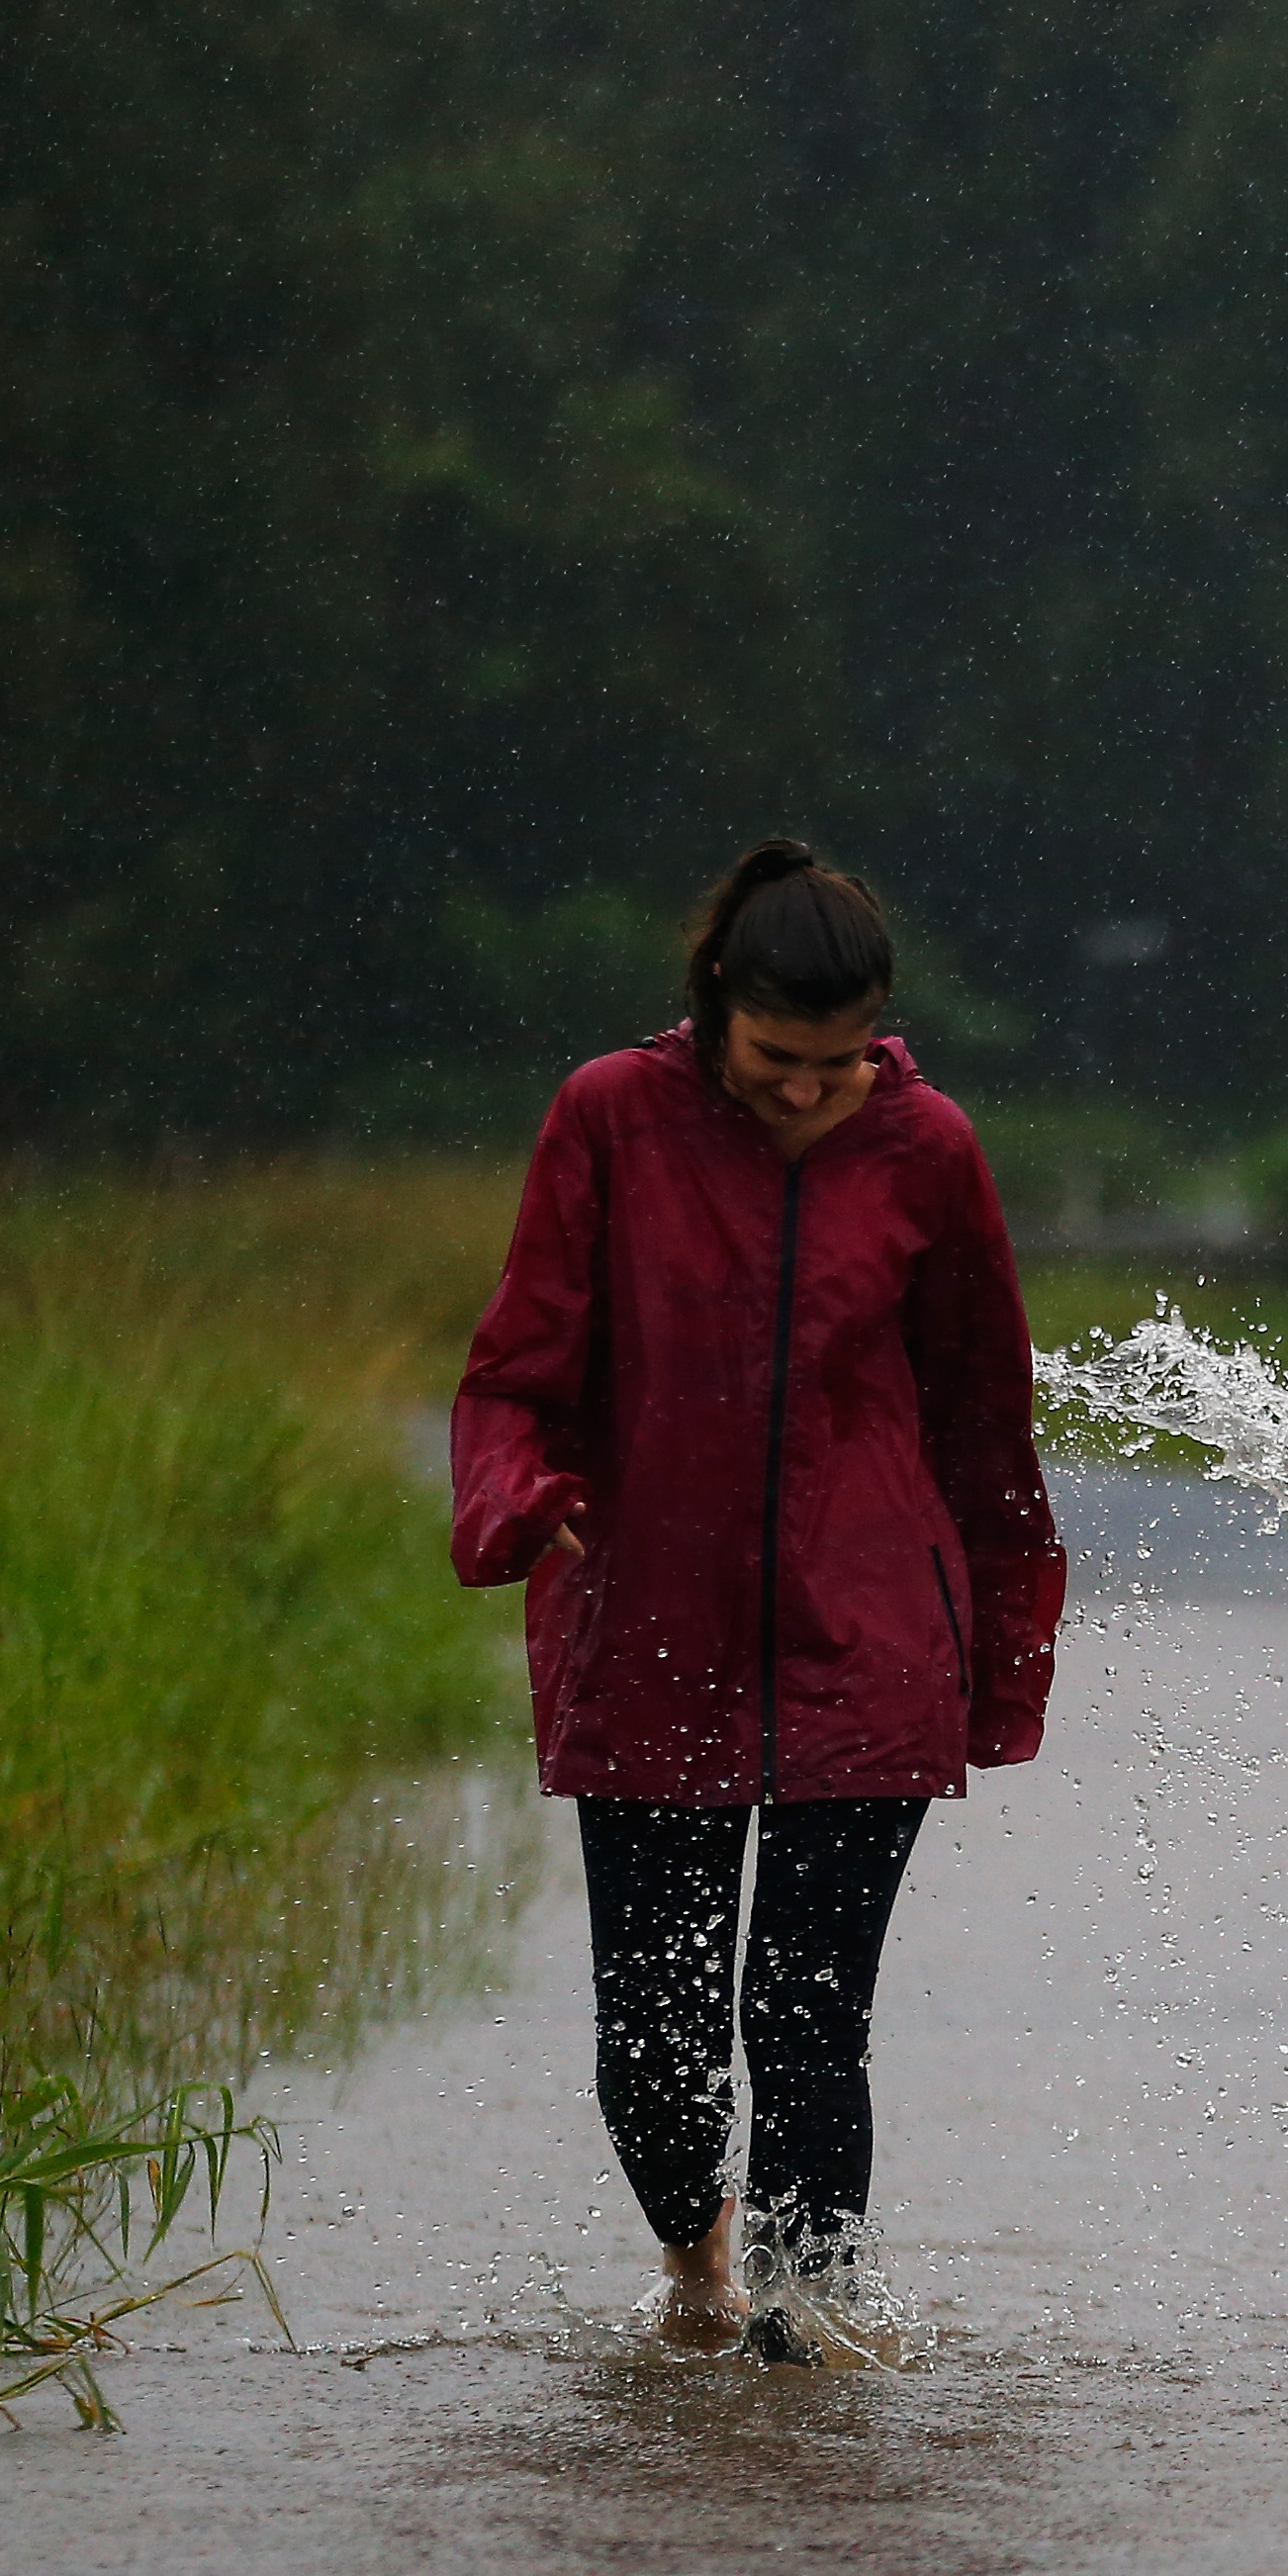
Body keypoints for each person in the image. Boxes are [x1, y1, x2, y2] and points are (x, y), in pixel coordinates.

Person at [451, 841, 1066, 2360]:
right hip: (645, 1629)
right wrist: (518, 1505)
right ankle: (697, 2263)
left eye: (839, 1063)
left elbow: (987, 1426)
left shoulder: (931, 1149)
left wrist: (1000, 1662)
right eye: (780, 1060)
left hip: (869, 1644)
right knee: (653, 2050)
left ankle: (813, 2333)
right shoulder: (610, 1118)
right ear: (717, 1003)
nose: (808, 1090)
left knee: (805, 2022)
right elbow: (513, 1376)